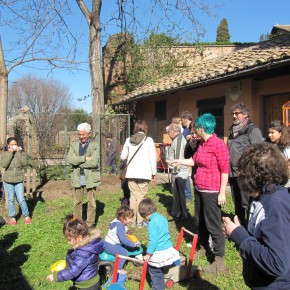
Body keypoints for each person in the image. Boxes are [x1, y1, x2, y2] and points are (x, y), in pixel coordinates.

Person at [223, 143, 290, 290]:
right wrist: (238, 231)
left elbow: (277, 264)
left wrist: (241, 236)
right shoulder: (259, 197)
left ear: (255, 175)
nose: (238, 173)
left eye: (242, 170)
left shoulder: (275, 206)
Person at [170, 113, 229, 274]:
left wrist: (222, 192)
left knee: (213, 225)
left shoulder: (218, 144)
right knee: (199, 221)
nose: (193, 130)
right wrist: (179, 161)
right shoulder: (202, 143)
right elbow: (194, 161)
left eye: (196, 128)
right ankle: (203, 248)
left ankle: (219, 261)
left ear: (202, 128)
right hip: (199, 188)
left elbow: (225, 170)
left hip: (211, 191)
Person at [228, 103, 263, 227]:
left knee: (247, 203)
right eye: (233, 113)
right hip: (233, 173)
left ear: (245, 114)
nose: (234, 116)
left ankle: (250, 229)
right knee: (237, 202)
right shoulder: (232, 130)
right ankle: (239, 227)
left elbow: (258, 153)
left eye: (237, 113)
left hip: (246, 174)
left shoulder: (252, 130)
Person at [46, 214, 104, 289]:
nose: (68, 242)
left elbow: (72, 271)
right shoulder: (86, 246)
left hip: (88, 285)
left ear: (79, 237)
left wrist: (56, 276)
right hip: (89, 281)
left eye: (69, 240)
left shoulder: (83, 254)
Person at [120, 120, 157, 228]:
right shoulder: (148, 140)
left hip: (131, 173)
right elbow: (152, 158)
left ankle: (131, 220)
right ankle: (140, 221)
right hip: (144, 173)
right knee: (141, 196)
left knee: (132, 196)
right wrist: (153, 173)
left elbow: (122, 157)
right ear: (145, 128)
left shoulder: (128, 140)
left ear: (135, 128)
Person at [139, 198, 180, 290]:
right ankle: (173, 267)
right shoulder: (162, 218)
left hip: (159, 251)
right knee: (164, 265)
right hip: (167, 248)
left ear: (144, 214)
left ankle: (158, 287)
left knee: (155, 271)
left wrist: (148, 254)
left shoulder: (152, 223)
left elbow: (153, 241)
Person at [67, 123, 100, 228]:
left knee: (92, 203)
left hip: (90, 177)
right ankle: (78, 223)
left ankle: (90, 224)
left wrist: (77, 160)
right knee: (77, 202)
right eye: (79, 135)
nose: (81, 137)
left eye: (83, 135)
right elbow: (70, 159)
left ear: (89, 134)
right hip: (77, 177)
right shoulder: (73, 145)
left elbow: (94, 162)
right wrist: (85, 158)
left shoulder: (95, 145)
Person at [0, 137, 31, 226]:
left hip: (18, 179)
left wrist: (18, 153)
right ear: (8, 145)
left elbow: (24, 163)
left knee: (21, 199)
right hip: (8, 180)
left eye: (15, 144)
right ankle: (12, 217)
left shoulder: (21, 153)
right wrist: (10, 153)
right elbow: (4, 164)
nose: (13, 146)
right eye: (11, 145)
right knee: (10, 199)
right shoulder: (5, 154)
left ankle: (26, 215)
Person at [104, 205, 141, 274]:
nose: (131, 220)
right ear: (122, 218)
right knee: (124, 252)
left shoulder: (117, 222)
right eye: (129, 218)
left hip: (110, 243)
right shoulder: (120, 226)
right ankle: (118, 269)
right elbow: (123, 239)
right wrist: (133, 244)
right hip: (111, 245)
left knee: (125, 246)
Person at [167, 123, 189, 220]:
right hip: (178, 171)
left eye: (168, 132)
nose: (168, 134)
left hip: (179, 172)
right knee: (177, 193)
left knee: (179, 194)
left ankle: (181, 214)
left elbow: (179, 157)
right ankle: (178, 212)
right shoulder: (176, 139)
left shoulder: (179, 140)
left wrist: (175, 170)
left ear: (173, 131)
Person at [266, 120, 290, 187]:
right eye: (269, 132)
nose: (269, 135)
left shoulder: (287, 147)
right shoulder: (268, 145)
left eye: (272, 132)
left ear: (280, 133)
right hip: (272, 179)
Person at [180, 111, 193, 203]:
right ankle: (186, 194)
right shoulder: (185, 129)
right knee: (185, 174)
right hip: (185, 153)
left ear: (186, 118)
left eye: (182, 119)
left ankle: (188, 195)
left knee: (186, 174)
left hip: (190, 154)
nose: (181, 121)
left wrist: (191, 137)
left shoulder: (191, 128)